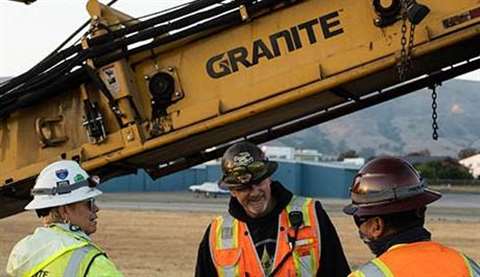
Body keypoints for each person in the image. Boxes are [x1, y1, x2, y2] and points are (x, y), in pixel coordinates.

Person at [195, 141, 350, 276]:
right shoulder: (216, 235)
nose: (255, 192)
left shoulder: (312, 215)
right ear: (232, 191)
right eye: (245, 188)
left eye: (259, 182)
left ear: (269, 178)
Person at [343, 156, 480, 277]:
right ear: (421, 211)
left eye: (359, 219)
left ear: (377, 225)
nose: (360, 229)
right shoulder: (468, 267)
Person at [6, 160, 123, 277]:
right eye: (89, 203)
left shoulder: (21, 253)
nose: (96, 209)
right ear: (64, 211)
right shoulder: (92, 262)